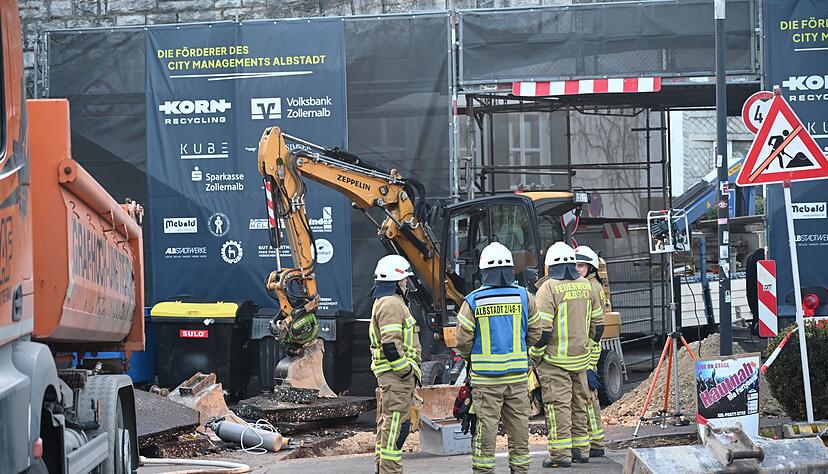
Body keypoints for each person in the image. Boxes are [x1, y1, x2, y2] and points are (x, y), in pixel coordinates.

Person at [455, 242, 547, 474]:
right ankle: (520, 471)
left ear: (484, 270)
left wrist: (473, 359)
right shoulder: (525, 297)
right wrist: (518, 348)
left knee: (485, 432)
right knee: (519, 431)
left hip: (486, 382)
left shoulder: (473, 301)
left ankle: (484, 471)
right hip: (517, 379)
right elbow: (537, 332)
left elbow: (463, 342)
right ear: (510, 269)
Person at [532, 242, 603, 468]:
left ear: (550, 266)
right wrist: (588, 349)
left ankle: (560, 455)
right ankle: (581, 451)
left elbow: (543, 331)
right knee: (579, 405)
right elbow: (598, 326)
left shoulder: (548, 288)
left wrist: (534, 355)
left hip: (554, 361)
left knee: (558, 407)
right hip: (581, 360)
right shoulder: (587, 286)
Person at [369, 255, 422, 474]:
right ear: (395, 281)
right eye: (404, 280)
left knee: (389, 423)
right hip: (396, 376)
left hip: (393, 376)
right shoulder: (391, 304)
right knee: (395, 426)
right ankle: (390, 469)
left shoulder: (388, 303)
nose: (406, 284)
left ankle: (383, 468)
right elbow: (391, 346)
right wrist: (406, 371)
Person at [574, 245, 607, 458]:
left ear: (591, 267)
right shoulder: (591, 285)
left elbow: (595, 330)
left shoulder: (590, 288)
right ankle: (595, 441)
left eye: (582, 265)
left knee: (588, 400)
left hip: (587, 355)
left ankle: (596, 443)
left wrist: (588, 364)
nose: (577, 269)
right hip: (587, 353)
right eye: (575, 265)